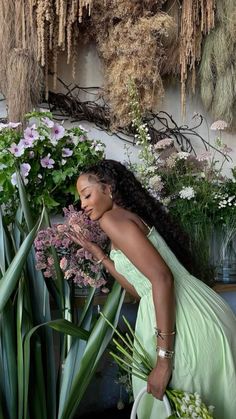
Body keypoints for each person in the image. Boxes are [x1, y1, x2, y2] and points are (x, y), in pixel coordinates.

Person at [69, 159, 236, 419]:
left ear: (108, 188)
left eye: (87, 195)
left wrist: (163, 360)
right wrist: (100, 255)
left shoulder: (111, 220)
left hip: (186, 323)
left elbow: (162, 280)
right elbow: (140, 289)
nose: (83, 205)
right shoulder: (125, 218)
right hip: (200, 309)